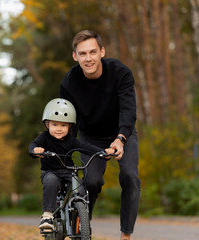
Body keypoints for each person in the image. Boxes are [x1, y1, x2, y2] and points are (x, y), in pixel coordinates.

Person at [60, 30, 141, 240]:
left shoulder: (121, 73)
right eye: (83, 53)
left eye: (93, 52)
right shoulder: (69, 83)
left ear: (102, 52)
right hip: (91, 137)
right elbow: (70, 121)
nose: (88, 58)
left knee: (130, 176)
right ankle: (83, 229)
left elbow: (128, 110)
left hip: (122, 132)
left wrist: (121, 138)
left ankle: (126, 235)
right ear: (75, 56)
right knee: (92, 182)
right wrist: (66, 148)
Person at [29, 98, 115, 229]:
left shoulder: (71, 140)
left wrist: (102, 152)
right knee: (51, 181)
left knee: (81, 191)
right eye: (55, 125)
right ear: (47, 124)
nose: (59, 129)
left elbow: (86, 147)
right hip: (50, 172)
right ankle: (47, 215)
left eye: (63, 125)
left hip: (68, 171)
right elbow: (33, 145)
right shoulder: (44, 138)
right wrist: (35, 150)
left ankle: (81, 222)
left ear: (70, 126)